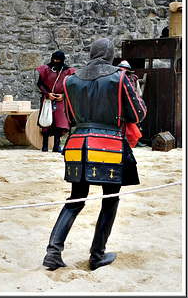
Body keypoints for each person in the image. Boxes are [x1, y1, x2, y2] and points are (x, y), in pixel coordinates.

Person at [42, 38, 147, 271]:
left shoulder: (71, 80)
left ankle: (53, 252)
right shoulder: (120, 77)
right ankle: (97, 255)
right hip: (108, 146)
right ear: (110, 55)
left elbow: (69, 117)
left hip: (76, 145)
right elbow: (138, 114)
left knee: (75, 199)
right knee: (109, 200)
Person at [35, 51, 76, 152]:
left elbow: (72, 86)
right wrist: (48, 94)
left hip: (61, 100)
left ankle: (56, 145)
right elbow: (40, 84)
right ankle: (45, 145)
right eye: (54, 59)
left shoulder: (68, 71)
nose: (56, 61)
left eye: (58, 60)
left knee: (60, 123)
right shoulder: (45, 69)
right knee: (46, 121)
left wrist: (64, 96)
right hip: (48, 99)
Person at [117, 60, 144, 148]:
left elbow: (138, 93)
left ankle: (136, 141)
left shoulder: (133, 80)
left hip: (129, 102)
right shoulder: (115, 78)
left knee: (135, 119)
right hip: (118, 104)